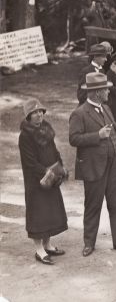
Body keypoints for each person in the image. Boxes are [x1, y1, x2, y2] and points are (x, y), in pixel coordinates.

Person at [69, 72, 116, 257]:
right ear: (97, 92)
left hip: (114, 164)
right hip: (94, 166)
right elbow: (73, 139)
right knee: (93, 205)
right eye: (106, 89)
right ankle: (89, 243)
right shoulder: (79, 113)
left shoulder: (106, 108)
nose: (109, 91)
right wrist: (96, 136)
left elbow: (114, 133)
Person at [19, 99, 68, 265]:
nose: (39, 114)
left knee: (50, 211)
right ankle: (39, 249)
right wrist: (46, 172)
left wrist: (59, 166)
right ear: (28, 116)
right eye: (34, 112)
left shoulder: (46, 129)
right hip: (36, 180)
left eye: (41, 111)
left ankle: (47, 245)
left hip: (51, 176)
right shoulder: (25, 136)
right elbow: (30, 162)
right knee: (38, 214)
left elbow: (53, 150)